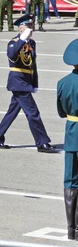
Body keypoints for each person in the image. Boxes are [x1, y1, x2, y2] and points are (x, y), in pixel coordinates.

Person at [0, 14, 55, 153]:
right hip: (18, 82)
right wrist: (22, 38)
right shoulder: (14, 42)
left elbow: (33, 65)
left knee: (12, 112)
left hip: (26, 82)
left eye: (32, 26)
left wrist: (35, 83)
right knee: (33, 113)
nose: (32, 29)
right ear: (21, 28)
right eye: (28, 26)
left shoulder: (31, 43)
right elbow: (12, 54)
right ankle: (42, 142)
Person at [59, 39, 78, 240]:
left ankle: (72, 229)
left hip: (72, 134)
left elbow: (61, 112)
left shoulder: (63, 83)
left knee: (71, 181)